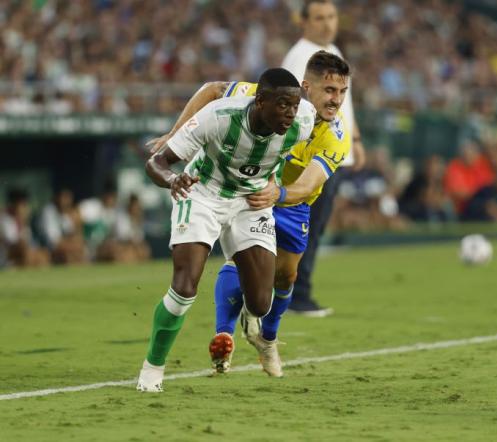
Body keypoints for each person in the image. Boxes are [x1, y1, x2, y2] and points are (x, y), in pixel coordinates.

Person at [147, 51, 352, 377]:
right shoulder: (264, 97)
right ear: (305, 88)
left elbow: (308, 183)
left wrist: (279, 193)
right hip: (247, 191)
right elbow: (213, 89)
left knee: (285, 277)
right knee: (241, 260)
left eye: (342, 92)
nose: (336, 100)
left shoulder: (336, 136)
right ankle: (223, 333)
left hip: (292, 201)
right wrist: (176, 134)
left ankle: (266, 339)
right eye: (329, 91)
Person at [282, 0, 366, 316]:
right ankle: (295, 294)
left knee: (313, 228)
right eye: (319, 17)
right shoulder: (300, 57)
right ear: (302, 22)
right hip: (312, 157)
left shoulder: (332, 52)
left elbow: (344, 104)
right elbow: (291, 106)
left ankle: (294, 292)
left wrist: (354, 139)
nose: (327, 23)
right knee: (305, 228)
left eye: (331, 16)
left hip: (334, 153)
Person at [0, 188, 50, 267]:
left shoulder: (21, 220)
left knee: (43, 254)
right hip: (6, 255)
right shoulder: (3, 218)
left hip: (20, 252)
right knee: (24, 248)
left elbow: (29, 241)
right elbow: (12, 242)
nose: (25, 207)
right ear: (13, 204)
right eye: (23, 204)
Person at [38, 189, 86, 264]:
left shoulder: (64, 213)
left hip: (63, 247)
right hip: (45, 250)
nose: (67, 202)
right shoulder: (48, 212)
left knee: (79, 252)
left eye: (69, 199)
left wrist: (77, 223)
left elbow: (74, 236)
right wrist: (74, 246)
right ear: (56, 198)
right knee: (70, 255)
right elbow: (54, 242)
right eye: (64, 198)